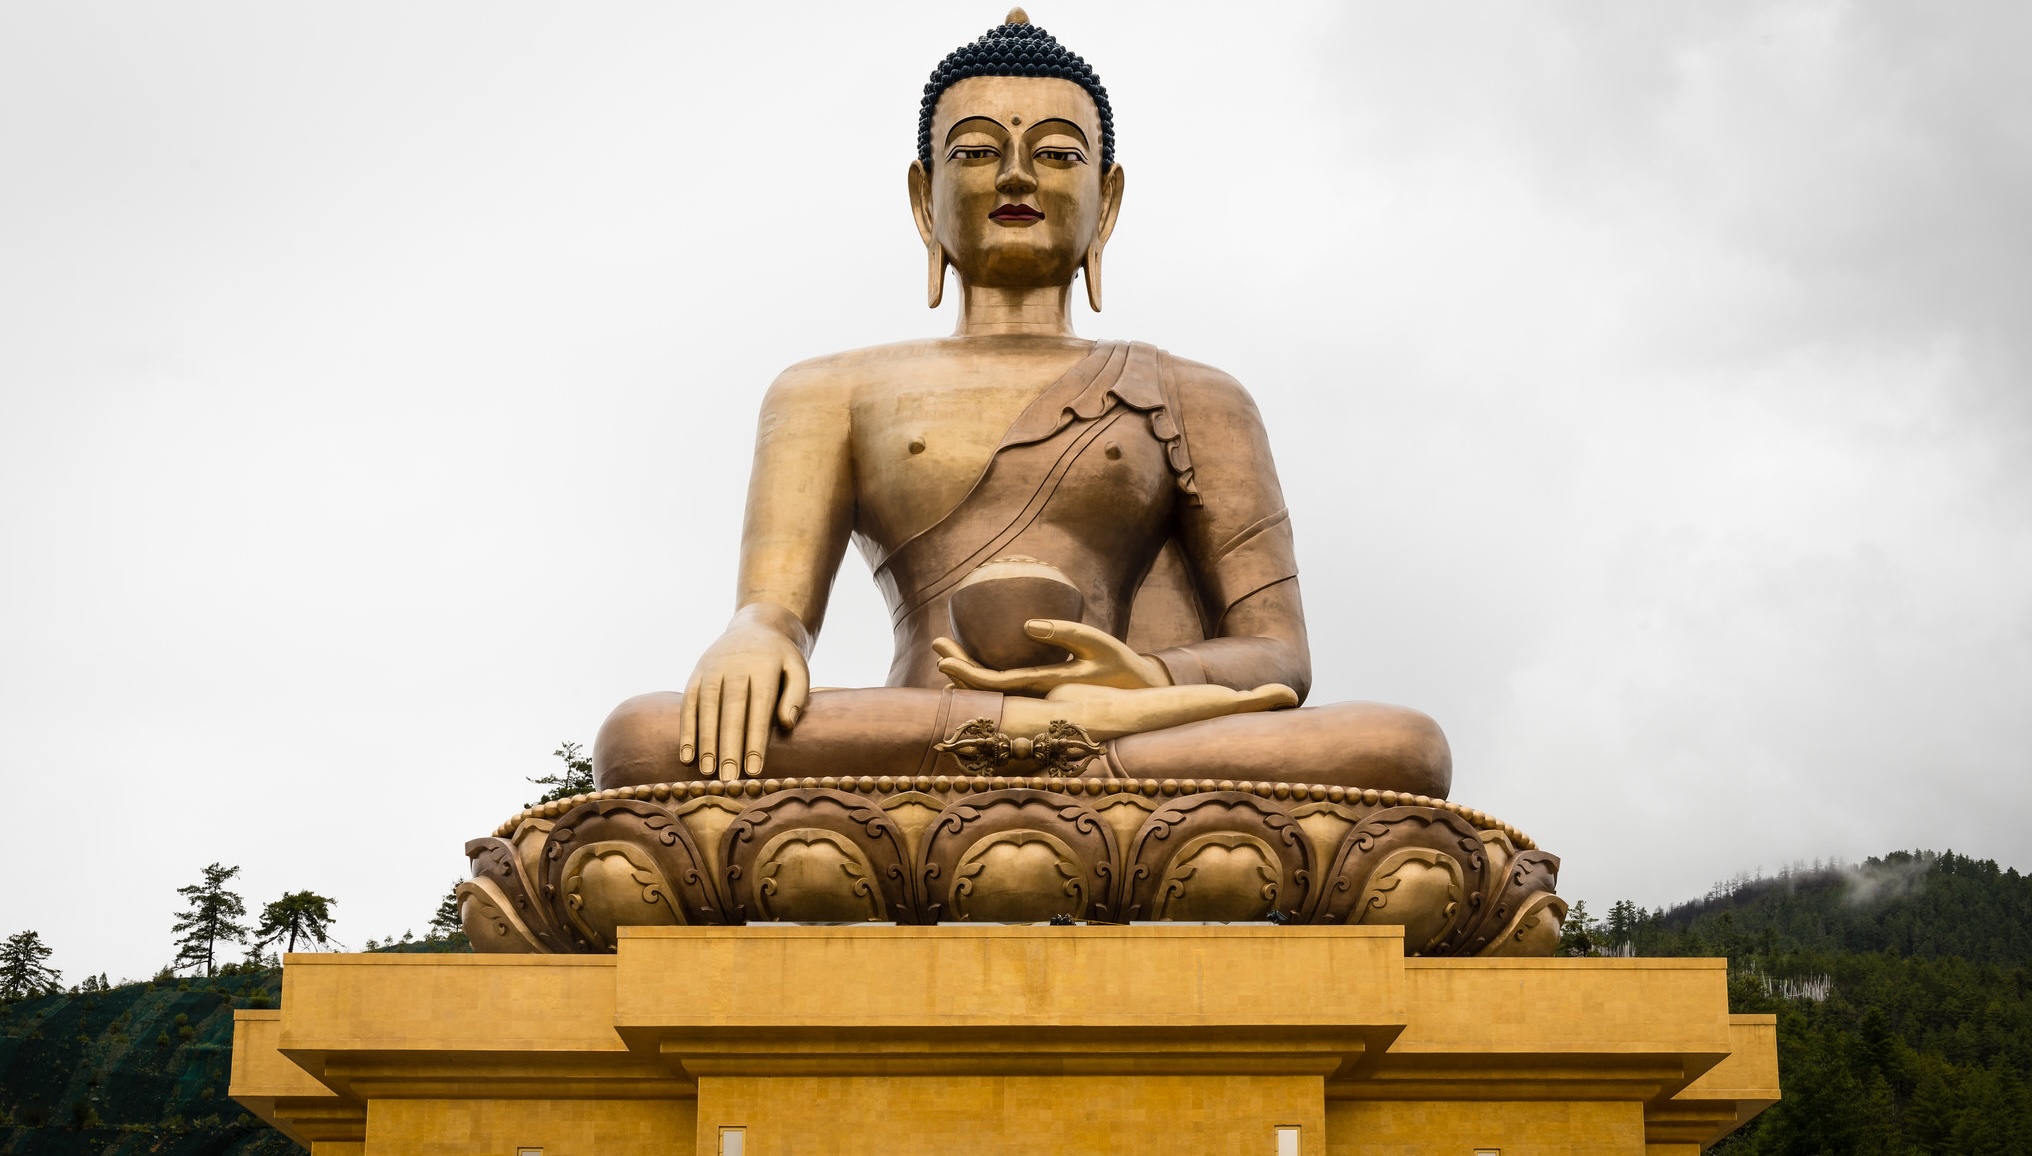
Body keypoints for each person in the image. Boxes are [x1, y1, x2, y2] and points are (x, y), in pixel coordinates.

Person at [594, 11, 1449, 797]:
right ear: (924, 200)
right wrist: (755, 636)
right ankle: (1051, 746)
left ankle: (1069, 742)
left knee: (1402, 748)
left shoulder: (1199, 394)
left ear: (1106, 203)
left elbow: (1277, 654)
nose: (1015, 175)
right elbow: (773, 612)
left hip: (1136, 732)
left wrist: (1139, 685)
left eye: (1057, 153)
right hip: (932, 727)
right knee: (642, 739)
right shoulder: (827, 390)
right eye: (973, 152)